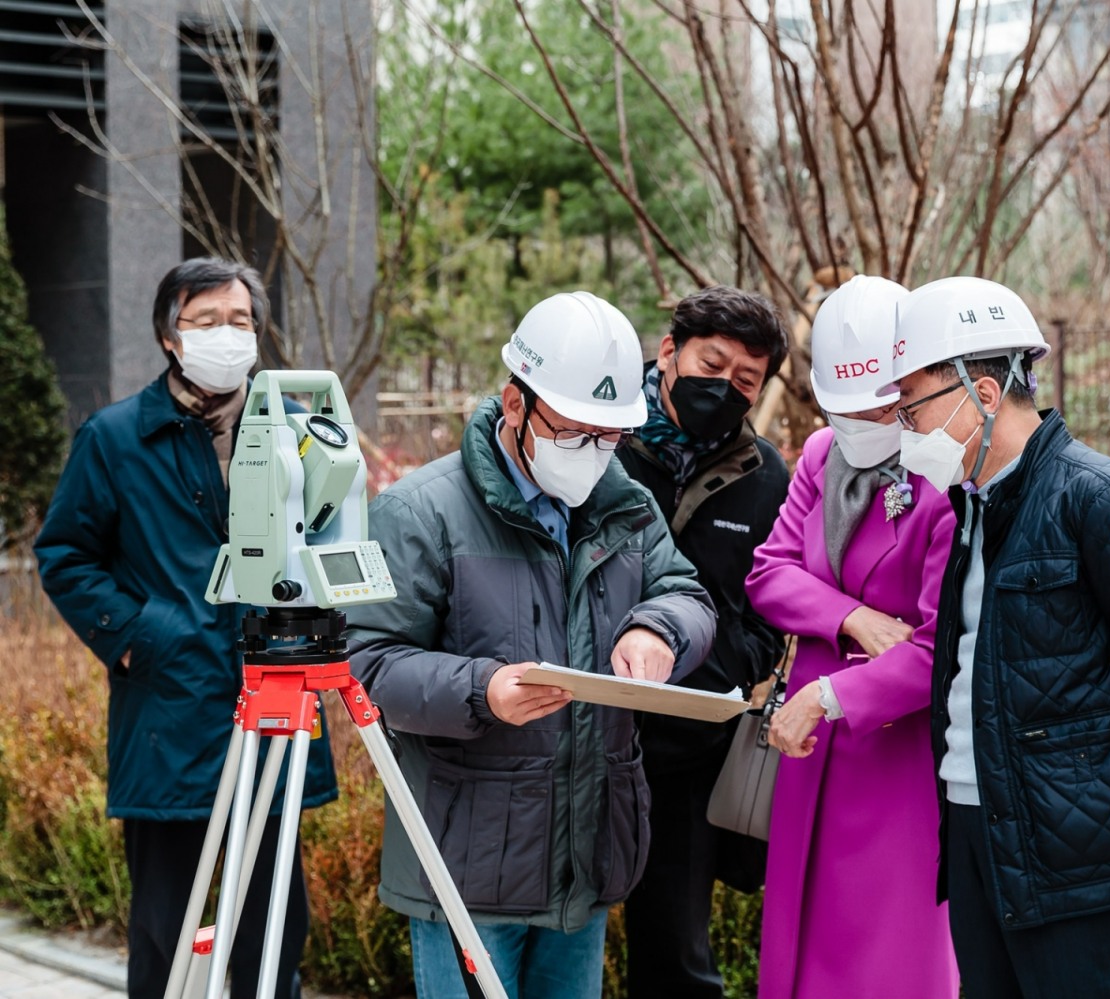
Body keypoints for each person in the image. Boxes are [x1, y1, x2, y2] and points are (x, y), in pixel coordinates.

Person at [345, 291, 716, 999]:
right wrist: (481, 690)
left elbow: (688, 595)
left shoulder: (624, 504)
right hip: (465, 867)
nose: (593, 455)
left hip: (587, 854)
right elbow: (367, 661)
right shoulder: (422, 511)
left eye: (609, 438)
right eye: (575, 433)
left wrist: (657, 628)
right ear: (515, 404)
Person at [890, 276, 1110, 997]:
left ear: (981, 394)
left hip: (1084, 850)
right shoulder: (975, 508)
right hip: (979, 820)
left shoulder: (1101, 498)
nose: (902, 428)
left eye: (911, 405)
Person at [34, 257, 336, 999]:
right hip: (170, 712)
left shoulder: (299, 429)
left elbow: (327, 536)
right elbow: (65, 553)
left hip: (274, 707)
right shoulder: (114, 438)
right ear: (171, 337)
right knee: (169, 937)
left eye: (239, 320)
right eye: (205, 321)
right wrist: (142, 634)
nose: (225, 335)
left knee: (274, 933)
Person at [744, 276, 960, 999]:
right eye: (848, 410)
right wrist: (851, 617)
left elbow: (939, 645)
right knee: (799, 948)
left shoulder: (945, 475)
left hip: (893, 754)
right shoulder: (819, 457)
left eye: (883, 405)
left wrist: (840, 687)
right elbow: (769, 571)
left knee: (888, 954)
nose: (865, 422)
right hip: (806, 743)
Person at [616, 285, 790, 998]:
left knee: (674, 949)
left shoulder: (767, 480)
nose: (723, 388)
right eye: (710, 365)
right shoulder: (599, 446)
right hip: (571, 732)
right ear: (669, 352)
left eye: (744, 380)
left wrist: (699, 677)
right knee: (548, 933)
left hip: (688, 750)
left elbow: (766, 618)